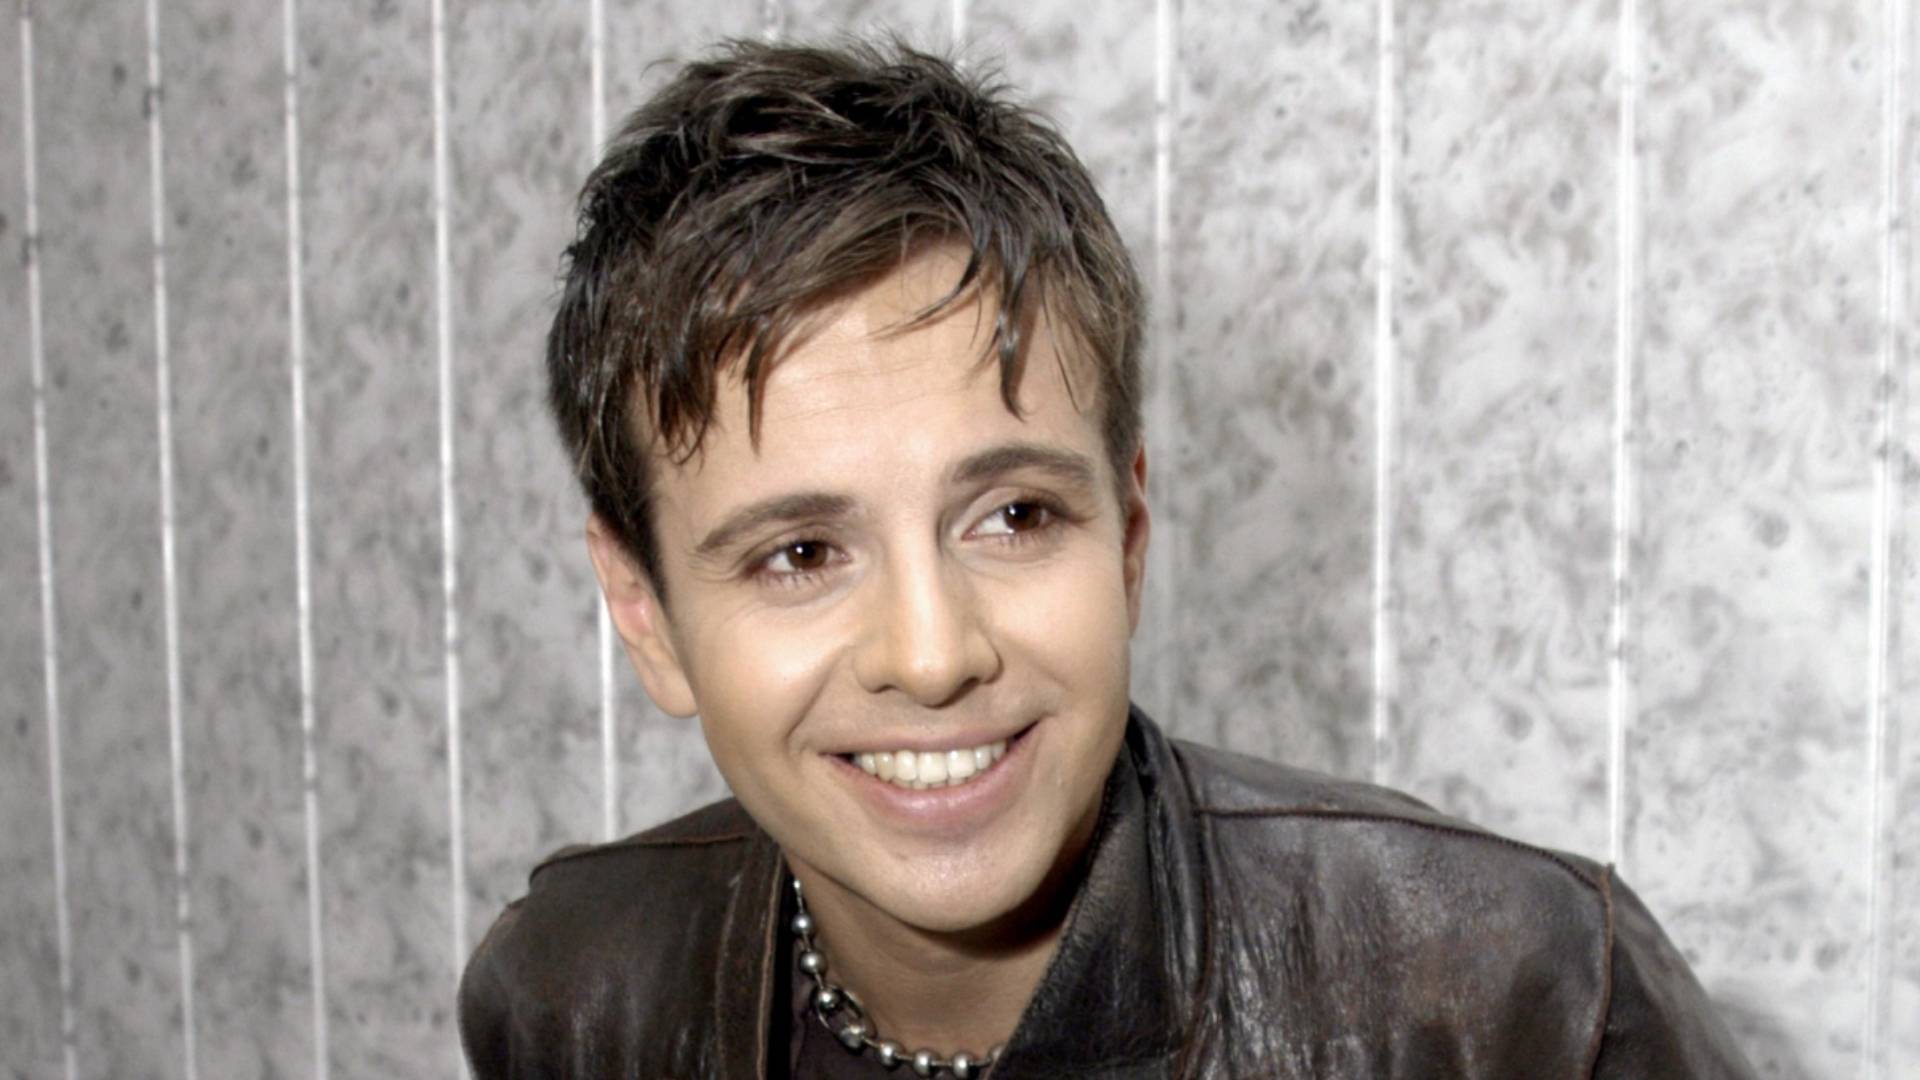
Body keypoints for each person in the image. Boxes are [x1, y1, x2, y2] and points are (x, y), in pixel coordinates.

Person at [457, 38, 1755, 1079]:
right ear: (645, 612)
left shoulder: (1514, 999)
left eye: (1014, 517)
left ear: (1127, 536)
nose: (933, 654)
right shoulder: (570, 997)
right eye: (799, 552)